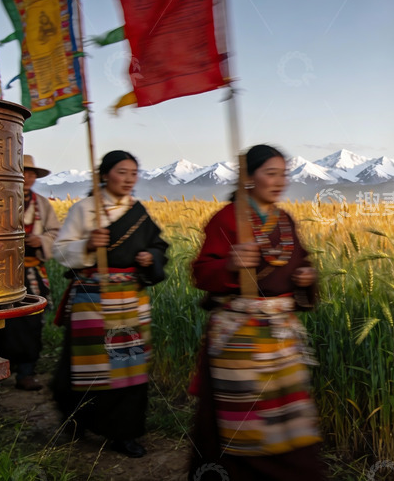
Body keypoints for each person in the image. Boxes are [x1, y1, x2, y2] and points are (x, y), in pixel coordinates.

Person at [189, 144, 326, 481]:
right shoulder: (227, 218)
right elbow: (201, 272)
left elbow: (301, 261)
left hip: (280, 335)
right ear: (250, 179)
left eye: (284, 174)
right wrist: (231, 263)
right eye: (271, 173)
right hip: (238, 338)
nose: (280, 181)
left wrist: (305, 278)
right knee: (240, 422)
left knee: (289, 416)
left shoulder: (284, 220)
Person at [51, 150, 168, 458]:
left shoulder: (139, 212)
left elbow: (159, 246)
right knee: (87, 365)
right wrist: (87, 244)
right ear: (104, 175)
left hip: (130, 300)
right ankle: (77, 417)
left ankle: (124, 431)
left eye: (134, 173)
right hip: (92, 300)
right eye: (122, 172)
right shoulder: (85, 209)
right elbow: (60, 252)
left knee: (128, 366)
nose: (129, 179)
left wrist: (150, 258)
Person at [0, 155, 60, 391]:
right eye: (23, 172)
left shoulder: (42, 204)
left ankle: (26, 372)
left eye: (31, 174)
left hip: (31, 271)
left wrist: (41, 239)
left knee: (30, 322)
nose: (27, 177)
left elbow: (55, 232)